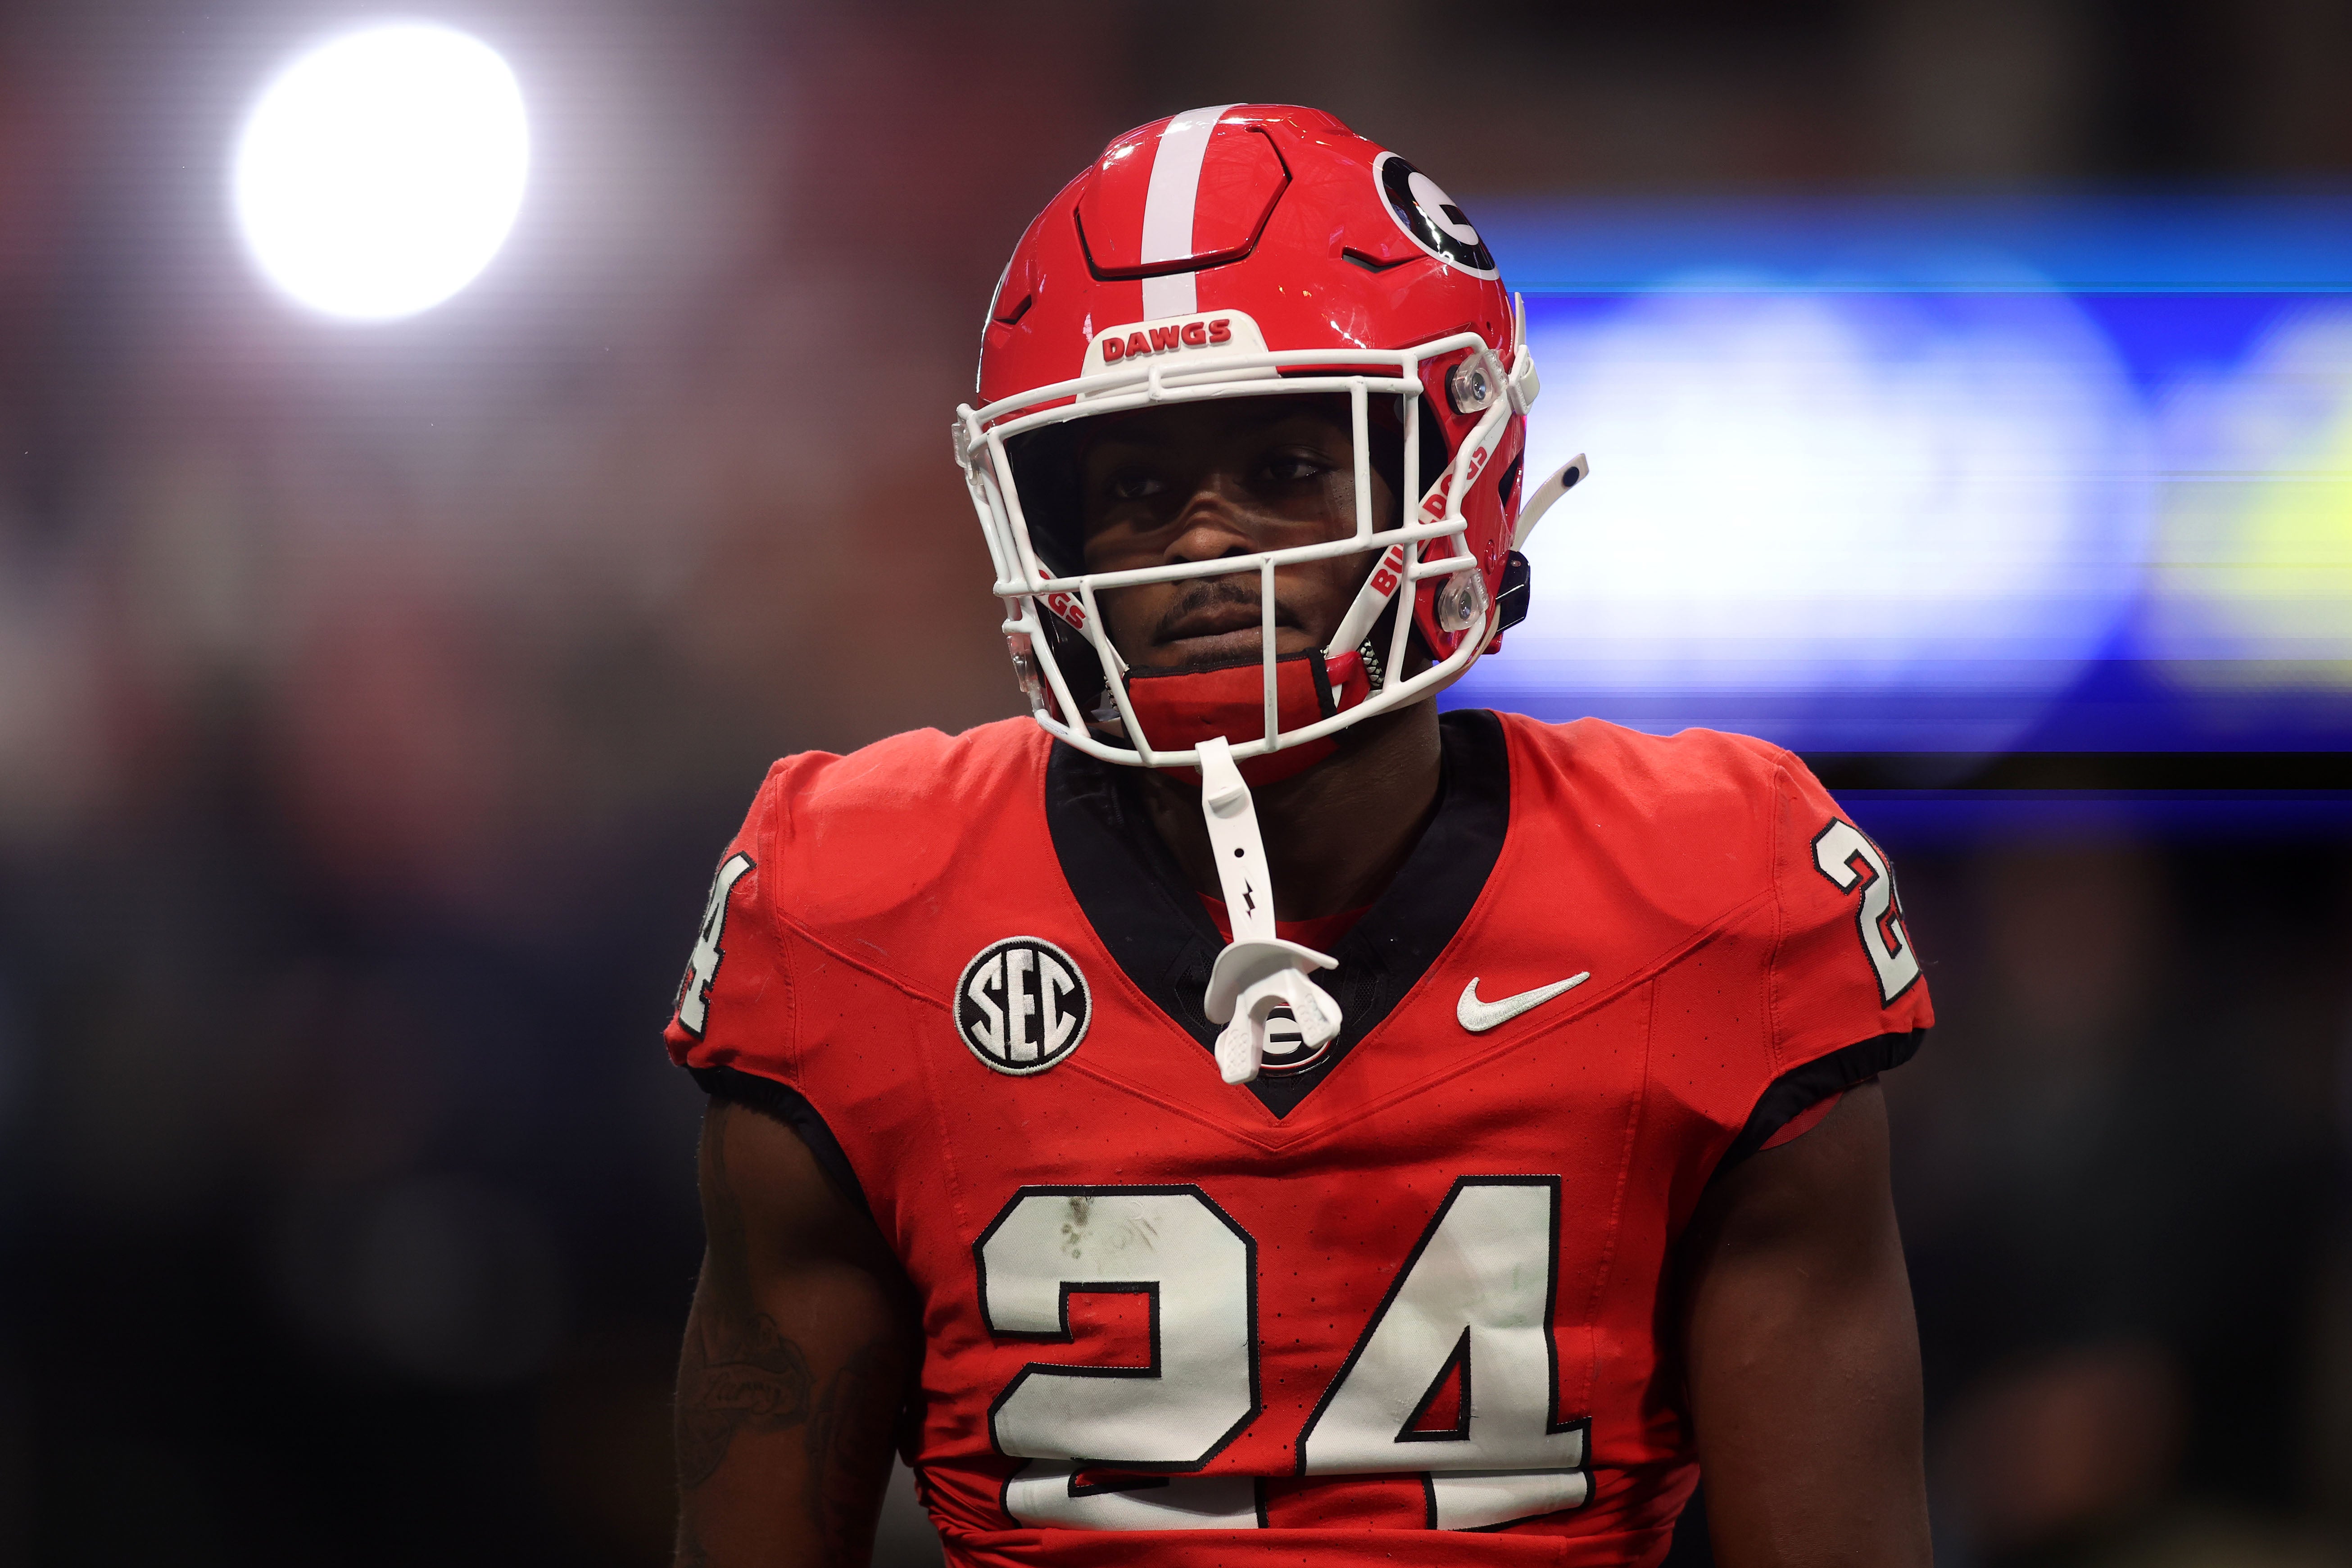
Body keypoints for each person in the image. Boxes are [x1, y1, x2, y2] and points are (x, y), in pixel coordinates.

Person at [662, 104, 1934, 1568]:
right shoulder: (855, 905)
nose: (1209, 544)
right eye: (1138, 488)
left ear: (1458, 473)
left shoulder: (1718, 898)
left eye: (1288, 464)